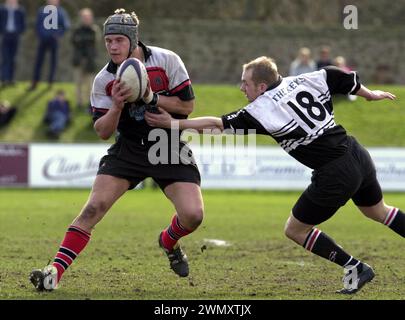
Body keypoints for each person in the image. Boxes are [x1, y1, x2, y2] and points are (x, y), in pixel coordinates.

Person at [145, 56, 404, 294]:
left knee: (295, 229)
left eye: (245, 83)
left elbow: (216, 125)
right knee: (378, 211)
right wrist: (369, 94)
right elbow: (336, 75)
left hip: (335, 171)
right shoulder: (305, 79)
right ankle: (358, 267)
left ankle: (355, 267)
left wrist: (173, 124)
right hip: (357, 154)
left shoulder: (262, 108)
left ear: (261, 86)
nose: (241, 88)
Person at [30, 8, 203, 291]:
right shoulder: (102, 80)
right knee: (92, 209)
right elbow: (102, 132)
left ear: (133, 40)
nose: (112, 46)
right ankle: (54, 273)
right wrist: (117, 106)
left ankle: (168, 241)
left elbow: (187, 107)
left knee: (193, 216)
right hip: (130, 148)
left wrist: (152, 98)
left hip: (168, 145)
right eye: (108, 41)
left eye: (118, 40)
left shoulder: (167, 60)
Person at [28, 0, 70, 91]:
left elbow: (65, 26)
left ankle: (51, 82)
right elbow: (38, 25)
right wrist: (41, 35)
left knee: (53, 61)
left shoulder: (61, 12)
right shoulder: (42, 10)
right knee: (39, 61)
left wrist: (57, 34)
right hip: (43, 40)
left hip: (54, 40)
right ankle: (35, 81)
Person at [71, 8, 100, 111]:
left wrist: (84, 41)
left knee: (90, 83)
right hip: (78, 59)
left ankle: (90, 104)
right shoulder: (77, 30)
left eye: (88, 17)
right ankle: (79, 102)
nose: (86, 19)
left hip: (90, 60)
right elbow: (74, 42)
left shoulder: (94, 30)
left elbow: (95, 43)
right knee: (78, 82)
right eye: (84, 17)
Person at [0, 0, 26, 87]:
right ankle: (4, 79)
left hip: (15, 36)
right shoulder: (2, 9)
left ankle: (11, 79)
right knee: (5, 58)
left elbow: (23, 24)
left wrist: (19, 31)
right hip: (5, 35)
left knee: (13, 58)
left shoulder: (20, 10)